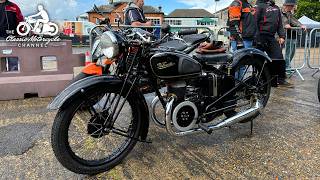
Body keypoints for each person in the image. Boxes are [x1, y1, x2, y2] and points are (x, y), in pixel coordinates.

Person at [255, 0, 292, 87]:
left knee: (278, 57)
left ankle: (280, 79)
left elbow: (279, 24)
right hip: (260, 36)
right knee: (258, 60)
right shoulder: (259, 6)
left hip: (271, 37)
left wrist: (282, 36)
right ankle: (260, 79)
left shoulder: (276, 8)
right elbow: (255, 22)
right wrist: (256, 38)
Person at [282, 0, 307, 70]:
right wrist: (285, 24)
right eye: (292, 5)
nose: (293, 7)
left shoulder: (289, 13)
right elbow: (283, 20)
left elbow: (294, 20)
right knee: (287, 53)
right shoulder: (281, 12)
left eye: (293, 6)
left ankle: (287, 66)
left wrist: (301, 25)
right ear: (287, 5)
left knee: (292, 52)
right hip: (283, 35)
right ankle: (286, 67)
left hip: (292, 35)